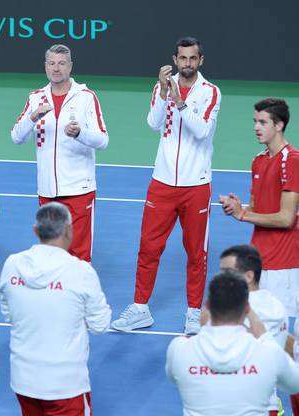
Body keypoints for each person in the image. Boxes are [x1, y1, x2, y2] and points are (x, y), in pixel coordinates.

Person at [112, 36, 221, 335]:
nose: (187, 63)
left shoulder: (211, 92)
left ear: (201, 60)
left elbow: (202, 131)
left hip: (196, 185)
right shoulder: (163, 86)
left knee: (196, 253)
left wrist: (181, 103)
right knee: (148, 248)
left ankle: (194, 313)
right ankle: (140, 308)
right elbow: (152, 122)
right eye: (182, 58)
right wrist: (163, 93)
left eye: (192, 58)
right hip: (161, 183)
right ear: (175, 59)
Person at [0, 202, 111, 416]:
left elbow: (7, 310)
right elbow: (100, 325)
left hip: (24, 379)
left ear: (35, 230)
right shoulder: (81, 272)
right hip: (66, 384)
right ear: (69, 230)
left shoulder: (12, 264)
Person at [11, 44, 108, 264]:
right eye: (52, 63)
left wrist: (80, 133)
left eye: (62, 63)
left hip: (79, 189)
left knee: (80, 255)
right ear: (45, 66)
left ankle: (79, 298)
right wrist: (32, 117)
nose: (56, 68)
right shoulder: (36, 98)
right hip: (47, 190)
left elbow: (103, 140)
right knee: (51, 253)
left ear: (70, 66)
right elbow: (17, 137)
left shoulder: (86, 97)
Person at [166, 270, 299, 415]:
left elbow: (174, 376)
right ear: (247, 308)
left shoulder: (178, 349)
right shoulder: (269, 353)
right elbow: (295, 384)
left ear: (207, 306)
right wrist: (265, 337)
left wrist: (203, 327)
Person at [220, 98, 299, 318]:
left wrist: (242, 214)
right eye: (255, 121)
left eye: (263, 122)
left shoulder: (292, 160)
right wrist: (238, 208)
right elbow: (256, 209)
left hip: (283, 265)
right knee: (256, 327)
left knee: (279, 330)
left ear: (279, 125)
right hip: (258, 260)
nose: (256, 127)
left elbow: (286, 219)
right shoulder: (258, 160)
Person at [218, 245, 293, 415]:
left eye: (227, 272)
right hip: (267, 403)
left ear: (249, 276)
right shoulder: (277, 306)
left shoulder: (234, 310)